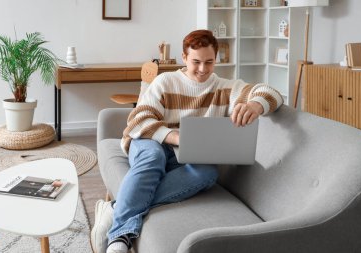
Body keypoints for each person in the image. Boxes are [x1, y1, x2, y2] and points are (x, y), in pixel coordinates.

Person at [91, 29, 283, 253]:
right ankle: (120, 236)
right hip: (150, 141)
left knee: (208, 173)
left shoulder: (226, 87)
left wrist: (255, 104)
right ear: (184, 58)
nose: (203, 69)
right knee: (153, 156)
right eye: (196, 62)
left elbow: (271, 92)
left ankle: (115, 208)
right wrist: (175, 137)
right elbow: (138, 120)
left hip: (186, 153)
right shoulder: (166, 81)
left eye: (209, 62)